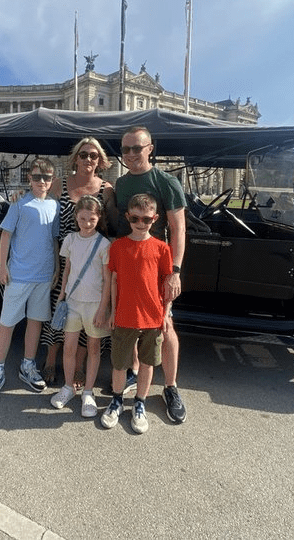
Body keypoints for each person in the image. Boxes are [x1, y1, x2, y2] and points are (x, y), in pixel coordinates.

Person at [108, 126, 188, 424]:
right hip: (131, 263)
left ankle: (170, 386)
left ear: (150, 148)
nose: (130, 154)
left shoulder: (166, 181)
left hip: (159, 266)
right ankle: (134, 374)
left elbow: (178, 228)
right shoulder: (122, 183)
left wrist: (175, 272)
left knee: (164, 325)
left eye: (136, 148)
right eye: (125, 149)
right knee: (131, 323)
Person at [0, 158, 60, 402]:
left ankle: (27, 365)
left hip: (43, 274)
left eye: (46, 178)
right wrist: (3, 266)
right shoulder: (19, 204)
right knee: (7, 323)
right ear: (29, 178)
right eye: (37, 177)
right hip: (19, 274)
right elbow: (6, 236)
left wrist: (56, 267)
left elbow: (54, 239)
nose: (41, 182)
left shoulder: (55, 206)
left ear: (52, 180)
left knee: (35, 321)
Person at [41, 137, 114, 388]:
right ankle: (51, 358)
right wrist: (20, 196)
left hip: (94, 261)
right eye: (83, 155)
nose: (88, 160)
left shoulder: (107, 189)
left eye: (93, 155)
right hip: (64, 257)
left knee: (89, 314)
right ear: (75, 158)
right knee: (59, 310)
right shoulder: (60, 185)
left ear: (100, 160)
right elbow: (42, 211)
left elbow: (112, 226)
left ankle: (80, 366)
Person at [100, 193, 173, 434]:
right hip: (124, 314)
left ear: (155, 219)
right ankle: (117, 399)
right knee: (119, 363)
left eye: (146, 219)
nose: (140, 224)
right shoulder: (118, 246)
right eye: (135, 219)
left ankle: (139, 402)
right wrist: (110, 310)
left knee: (147, 362)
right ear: (127, 217)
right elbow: (113, 280)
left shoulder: (162, 248)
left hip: (153, 315)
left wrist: (166, 314)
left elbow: (166, 283)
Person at [49, 195, 112, 417]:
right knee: (69, 347)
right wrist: (61, 296)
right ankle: (68, 387)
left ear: (98, 218)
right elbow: (67, 270)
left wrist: (104, 307)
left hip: (95, 304)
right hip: (73, 303)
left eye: (91, 219)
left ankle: (88, 391)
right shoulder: (70, 240)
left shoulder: (104, 244)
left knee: (94, 348)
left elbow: (107, 279)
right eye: (83, 218)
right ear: (76, 217)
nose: (86, 223)